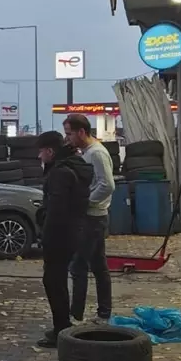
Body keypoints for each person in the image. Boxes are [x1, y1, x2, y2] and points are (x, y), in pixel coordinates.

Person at [33, 131, 94, 348]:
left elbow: (56, 211)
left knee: (53, 281)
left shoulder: (60, 173)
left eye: (41, 152)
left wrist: (45, 236)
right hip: (74, 231)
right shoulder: (74, 166)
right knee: (56, 280)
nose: (39, 157)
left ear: (50, 151)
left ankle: (61, 328)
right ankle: (62, 325)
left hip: (60, 235)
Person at [64, 112, 115, 324]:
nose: (67, 138)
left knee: (78, 266)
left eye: (69, 134)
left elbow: (107, 185)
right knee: (98, 266)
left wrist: (86, 202)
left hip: (92, 218)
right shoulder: (86, 152)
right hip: (94, 216)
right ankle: (104, 313)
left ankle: (76, 315)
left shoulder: (96, 154)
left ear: (82, 132)